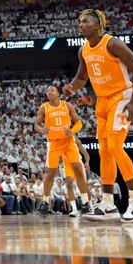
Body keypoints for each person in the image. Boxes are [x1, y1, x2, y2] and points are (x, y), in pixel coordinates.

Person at [65, 8, 133, 223]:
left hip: (121, 97)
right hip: (102, 102)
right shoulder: (83, 49)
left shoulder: (113, 43)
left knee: (114, 146)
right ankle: (108, 204)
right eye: (79, 21)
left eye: (85, 21)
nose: (80, 24)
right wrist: (71, 88)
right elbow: (82, 78)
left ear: (97, 25)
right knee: (105, 152)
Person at [33, 84, 90, 216]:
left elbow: (79, 122)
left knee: (78, 169)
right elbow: (36, 124)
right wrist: (42, 129)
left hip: (68, 142)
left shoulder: (67, 105)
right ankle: (45, 202)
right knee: (51, 174)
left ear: (58, 93)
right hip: (54, 143)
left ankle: (86, 203)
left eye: (51, 90)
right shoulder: (44, 107)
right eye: (47, 91)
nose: (49, 92)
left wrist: (72, 131)